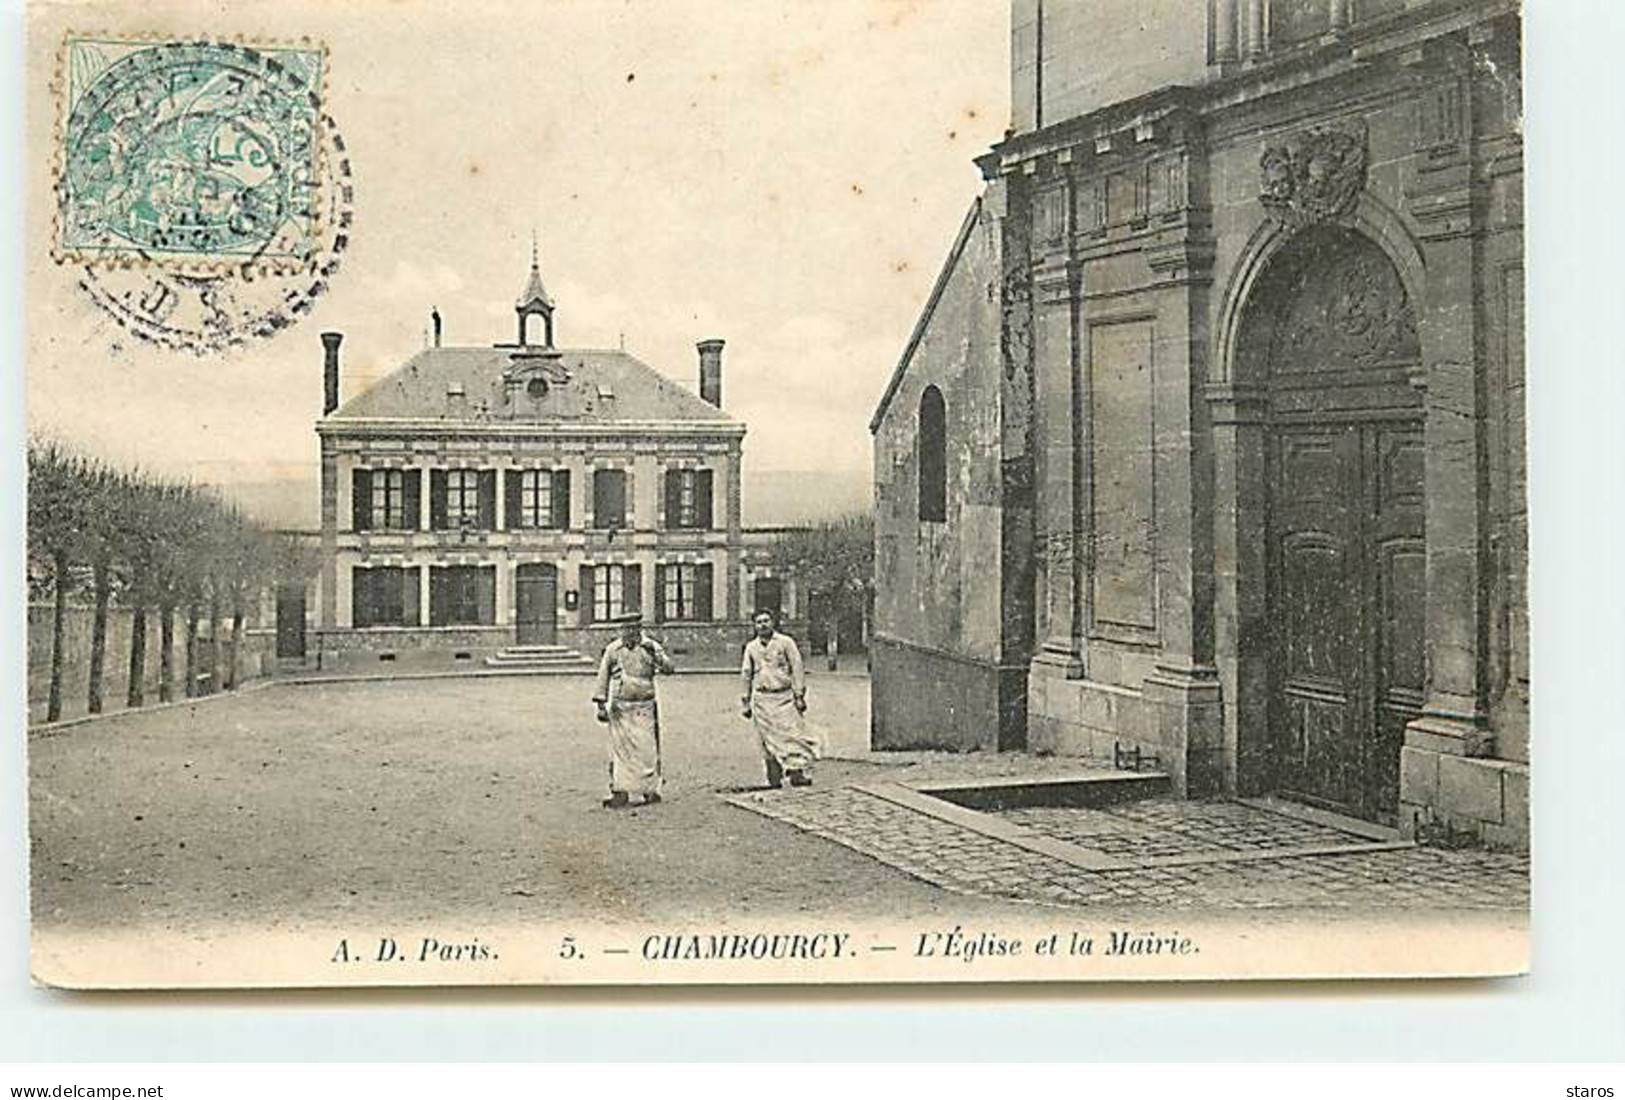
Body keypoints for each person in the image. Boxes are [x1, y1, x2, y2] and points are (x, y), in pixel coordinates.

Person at [591, 612, 674, 809]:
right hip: (621, 707)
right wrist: (601, 705)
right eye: (626, 629)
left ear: (640, 629)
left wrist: (655, 653)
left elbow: (670, 668)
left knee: (647, 750)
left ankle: (649, 790)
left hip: (644, 705)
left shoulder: (651, 647)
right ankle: (620, 792)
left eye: (634, 628)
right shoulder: (613, 650)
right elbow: (603, 676)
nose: (630, 633)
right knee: (621, 752)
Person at [740, 609, 820, 788]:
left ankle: (797, 773)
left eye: (766, 621)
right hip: (762, 699)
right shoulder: (751, 648)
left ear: (773, 622)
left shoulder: (786, 643)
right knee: (767, 740)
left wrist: (799, 695)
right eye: (759, 622)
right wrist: (745, 701)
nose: (763, 625)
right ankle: (773, 777)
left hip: (784, 698)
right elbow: (746, 674)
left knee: (792, 736)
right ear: (754, 625)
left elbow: (797, 667)